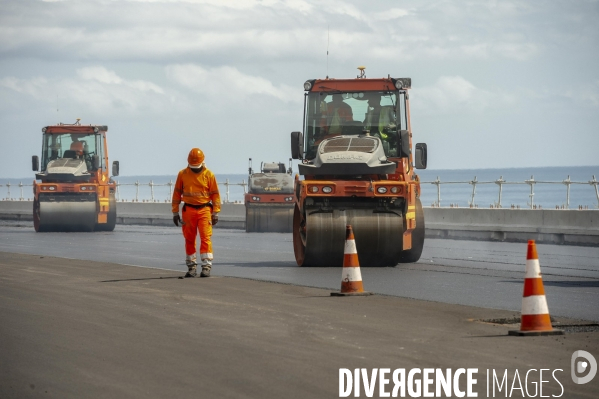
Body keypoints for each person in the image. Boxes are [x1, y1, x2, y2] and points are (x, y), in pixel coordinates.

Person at [172, 148, 221, 278]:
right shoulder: (182, 174)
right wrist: (175, 212)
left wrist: (216, 212)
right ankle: (191, 267)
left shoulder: (209, 175)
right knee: (189, 239)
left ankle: (206, 266)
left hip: (205, 210)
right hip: (188, 210)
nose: (194, 168)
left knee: (206, 238)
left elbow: (215, 195)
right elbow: (177, 193)